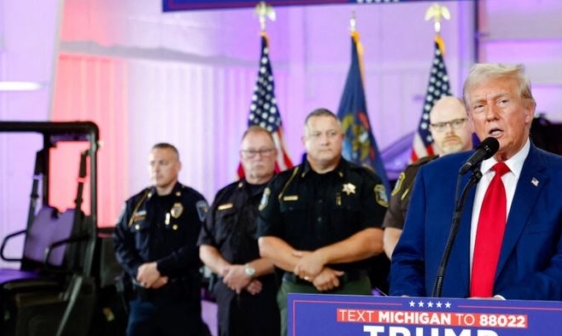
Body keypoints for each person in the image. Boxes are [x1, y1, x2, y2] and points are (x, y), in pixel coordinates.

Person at [390, 63, 562, 300]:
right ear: (471, 119)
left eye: (502, 102)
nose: (491, 114)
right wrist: (407, 304)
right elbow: (408, 258)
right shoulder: (435, 177)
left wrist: (502, 307)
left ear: (528, 111)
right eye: (479, 106)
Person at [257, 108, 387, 336]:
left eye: (331, 133)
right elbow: (267, 244)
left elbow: (375, 239)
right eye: (316, 135)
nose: (324, 141)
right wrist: (313, 271)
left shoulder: (365, 181)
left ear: (342, 138)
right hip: (298, 290)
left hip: (352, 289)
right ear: (304, 140)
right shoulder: (282, 184)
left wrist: (320, 257)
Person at [113, 143, 209, 336]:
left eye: (163, 163)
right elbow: (120, 243)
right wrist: (139, 270)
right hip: (142, 298)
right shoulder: (136, 203)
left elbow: (197, 246)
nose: (156, 169)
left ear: (178, 166)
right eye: (152, 163)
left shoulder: (193, 202)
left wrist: (158, 268)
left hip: (180, 300)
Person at [199, 126, 280, 336]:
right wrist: (231, 273)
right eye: (251, 152)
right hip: (229, 296)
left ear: (275, 154)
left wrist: (248, 272)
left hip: (270, 296)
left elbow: (296, 247)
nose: (258, 157)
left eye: (264, 151)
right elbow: (205, 247)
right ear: (241, 157)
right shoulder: (225, 195)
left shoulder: (287, 194)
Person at [383, 96, 474, 258]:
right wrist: (410, 269)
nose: (449, 131)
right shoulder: (413, 173)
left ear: (471, 123)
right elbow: (392, 232)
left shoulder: (490, 170)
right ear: (431, 130)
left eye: (457, 122)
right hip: (419, 277)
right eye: (440, 126)